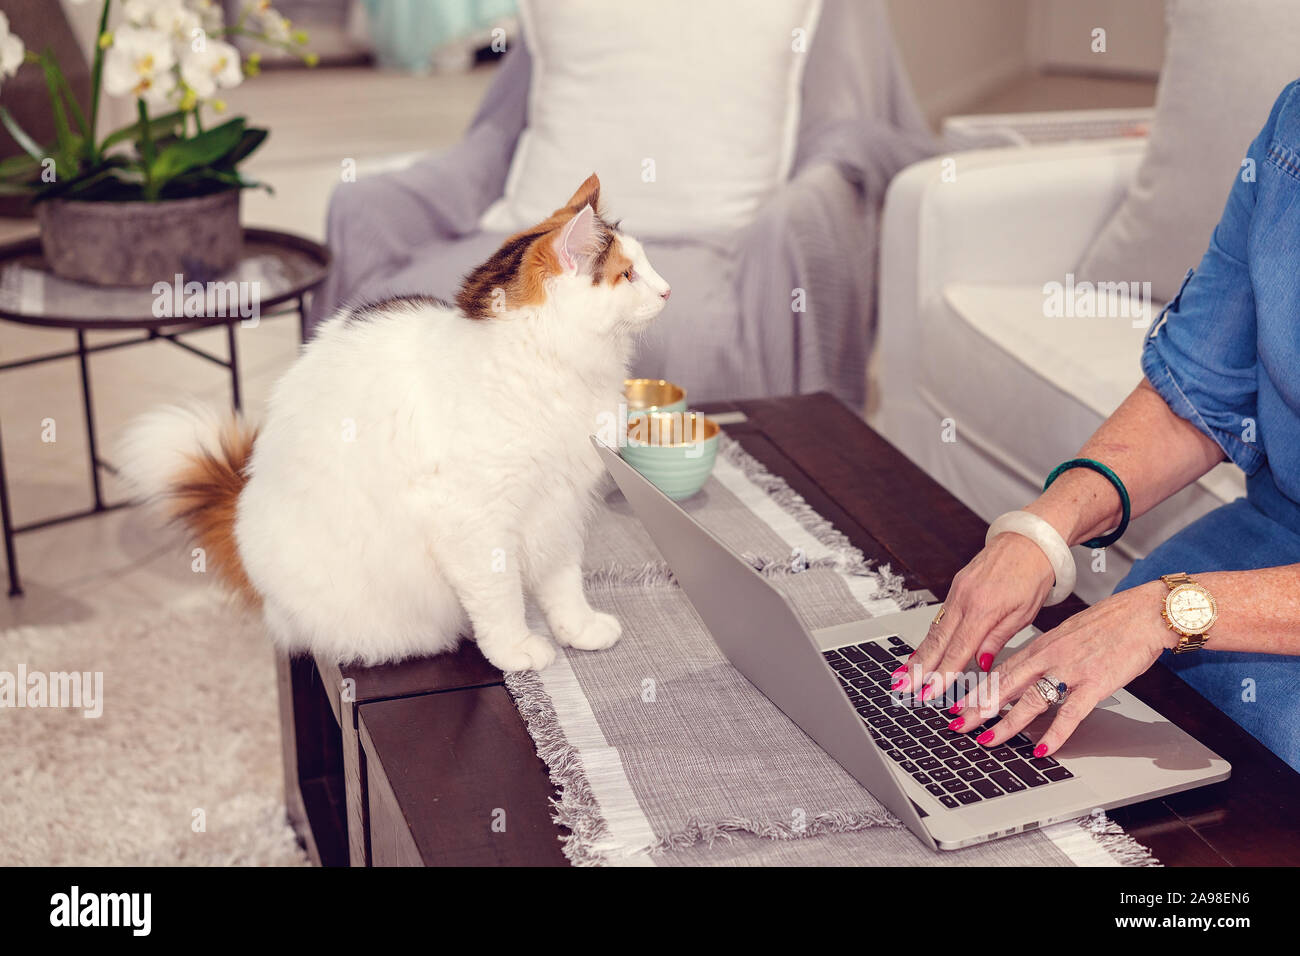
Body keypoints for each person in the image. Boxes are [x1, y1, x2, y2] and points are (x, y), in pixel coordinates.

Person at [895, 80, 1300, 773]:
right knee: (1087, 724)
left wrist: (1167, 614)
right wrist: (1040, 532)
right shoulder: (1292, 122)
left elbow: (1162, 613)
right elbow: (1200, 384)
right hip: (1273, 529)